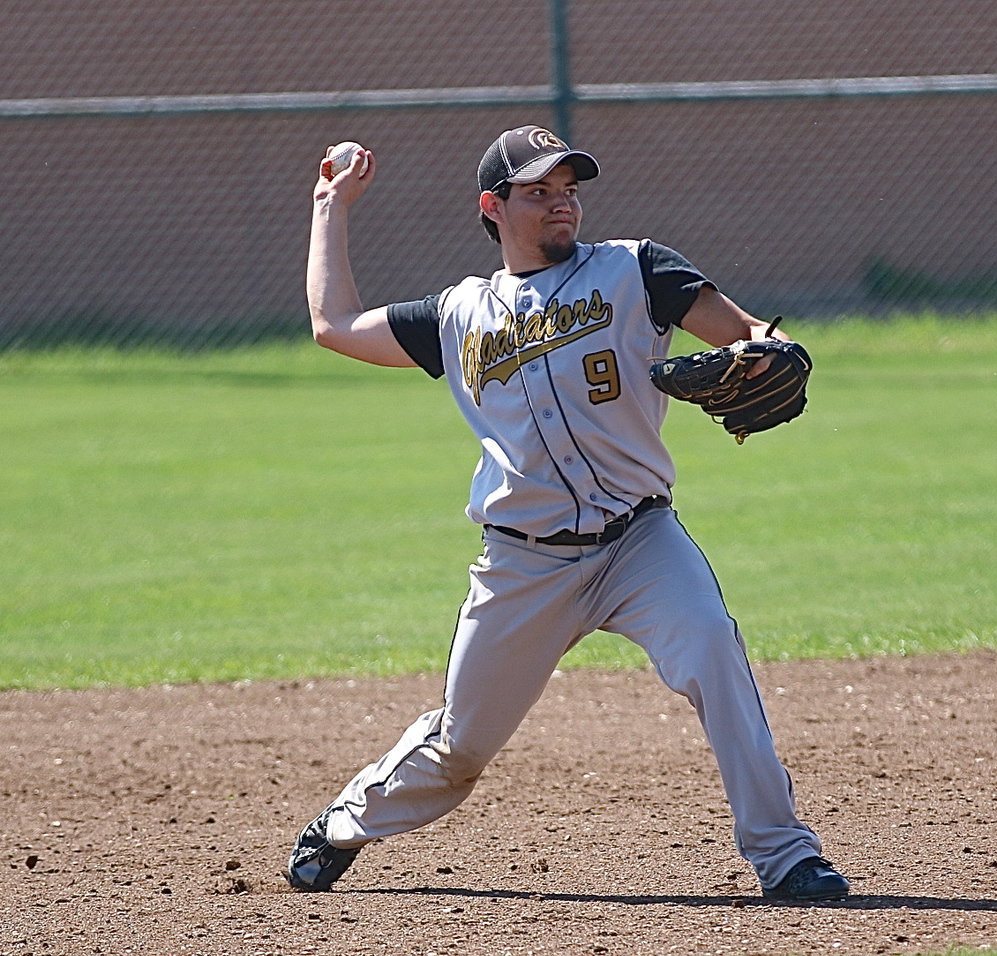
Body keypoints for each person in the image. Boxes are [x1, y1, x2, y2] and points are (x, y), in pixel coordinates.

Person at [286, 124, 849, 902]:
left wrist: (769, 349)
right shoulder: (456, 316)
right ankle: (345, 822)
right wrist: (329, 205)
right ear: (495, 205)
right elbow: (333, 326)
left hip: (640, 542)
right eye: (539, 191)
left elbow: (748, 334)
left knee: (714, 652)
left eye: (570, 190)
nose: (562, 204)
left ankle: (787, 856)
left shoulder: (637, 269)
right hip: (525, 563)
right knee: (460, 746)